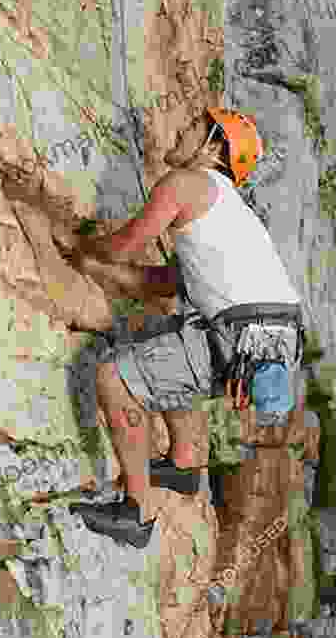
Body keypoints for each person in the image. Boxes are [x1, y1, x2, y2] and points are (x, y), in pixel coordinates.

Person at [67, 108, 303, 549]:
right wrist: (100, 269)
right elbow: (156, 283)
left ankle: (135, 512)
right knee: (171, 330)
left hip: (240, 338)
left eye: (194, 125)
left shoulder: (185, 184)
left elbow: (127, 247)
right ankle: (182, 463)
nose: (178, 127)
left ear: (213, 146)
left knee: (113, 379)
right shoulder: (230, 213)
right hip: (269, 340)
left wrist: (83, 249)